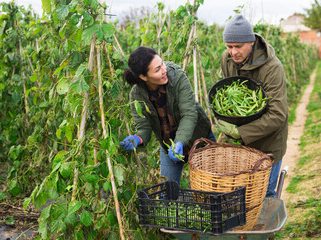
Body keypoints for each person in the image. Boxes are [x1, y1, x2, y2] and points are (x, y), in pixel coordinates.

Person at [120, 46, 216, 185]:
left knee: (210, 189)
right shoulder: (137, 95)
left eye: (162, 64)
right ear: (143, 77)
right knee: (168, 191)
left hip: (198, 138)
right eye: (157, 69)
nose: (164, 70)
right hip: (169, 146)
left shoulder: (176, 77)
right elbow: (144, 127)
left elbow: (189, 114)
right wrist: (138, 138)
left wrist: (180, 142)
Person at [219, 14, 288, 198]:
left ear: (251, 42)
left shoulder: (272, 68)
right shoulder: (227, 59)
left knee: (264, 195)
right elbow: (228, 94)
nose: (233, 52)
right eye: (229, 46)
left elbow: (278, 115)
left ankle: (268, 226)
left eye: (238, 46)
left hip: (269, 143)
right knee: (246, 194)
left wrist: (240, 132)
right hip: (244, 146)